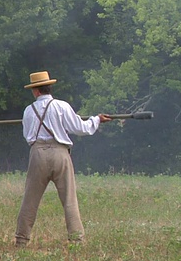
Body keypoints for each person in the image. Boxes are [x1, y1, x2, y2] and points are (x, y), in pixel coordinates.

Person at [15, 71, 112, 247]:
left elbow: (27, 135)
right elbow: (80, 128)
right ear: (49, 88)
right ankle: (76, 240)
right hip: (60, 153)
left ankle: (21, 240)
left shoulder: (28, 111)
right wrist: (96, 120)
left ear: (35, 91)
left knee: (30, 199)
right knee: (69, 199)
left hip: (37, 154)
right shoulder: (62, 106)